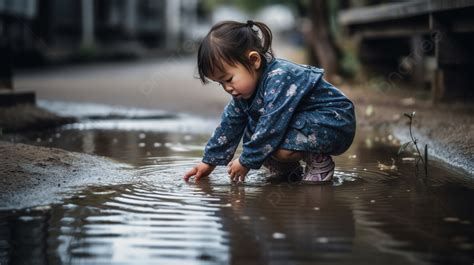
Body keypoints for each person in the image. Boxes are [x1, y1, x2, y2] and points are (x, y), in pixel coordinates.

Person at [183, 20, 356, 184]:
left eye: (228, 79)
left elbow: (272, 126)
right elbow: (229, 124)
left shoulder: (279, 77)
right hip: (306, 124)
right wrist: (208, 162)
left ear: (254, 60)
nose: (227, 88)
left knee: (266, 135)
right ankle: (288, 170)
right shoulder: (243, 95)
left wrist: (246, 160)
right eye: (221, 83)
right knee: (255, 133)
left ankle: (319, 161)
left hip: (334, 120)